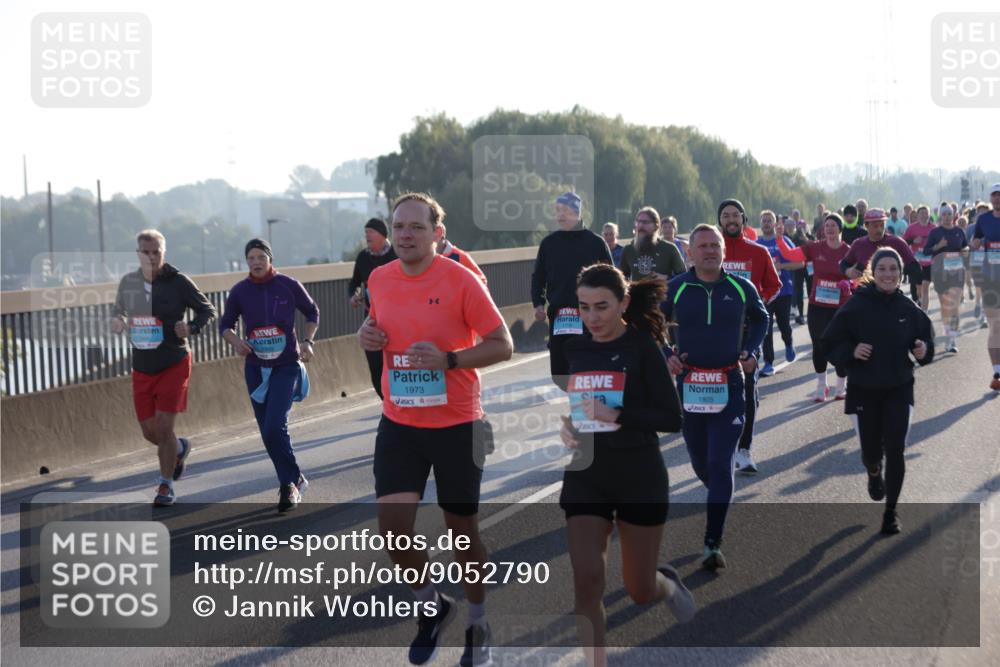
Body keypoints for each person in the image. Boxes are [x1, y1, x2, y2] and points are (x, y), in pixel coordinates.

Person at [358, 192, 513, 666]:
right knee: (393, 532)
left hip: (457, 423)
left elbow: (502, 344)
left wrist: (450, 359)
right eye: (399, 226)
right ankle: (434, 605)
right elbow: (377, 325)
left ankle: (478, 621)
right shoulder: (378, 278)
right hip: (401, 422)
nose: (405, 235)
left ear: (436, 233)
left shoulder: (460, 280)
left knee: (461, 531)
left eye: (416, 228)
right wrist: (369, 335)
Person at [558, 264, 693, 667]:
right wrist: (571, 427)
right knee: (587, 583)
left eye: (602, 306)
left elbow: (672, 419)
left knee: (639, 590)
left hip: (639, 474)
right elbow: (584, 409)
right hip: (588, 474)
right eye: (584, 308)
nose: (592, 317)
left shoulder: (643, 349)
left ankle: (665, 585)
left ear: (624, 303)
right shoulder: (576, 349)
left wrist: (618, 416)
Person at [662, 224, 768, 569]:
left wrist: (752, 351)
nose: (709, 251)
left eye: (715, 245)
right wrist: (667, 354)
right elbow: (651, 322)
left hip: (730, 384)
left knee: (721, 463)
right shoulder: (677, 288)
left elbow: (761, 318)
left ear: (723, 251)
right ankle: (720, 496)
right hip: (690, 387)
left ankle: (712, 542)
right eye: (702, 246)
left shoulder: (740, 286)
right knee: (702, 464)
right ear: (690, 252)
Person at [823, 247, 934, 535]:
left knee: (896, 449)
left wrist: (924, 349)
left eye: (893, 269)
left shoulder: (908, 308)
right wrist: (851, 350)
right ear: (874, 271)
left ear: (900, 274)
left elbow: (926, 340)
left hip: (899, 388)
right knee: (871, 451)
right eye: (882, 268)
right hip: (863, 390)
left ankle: (890, 513)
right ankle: (873, 471)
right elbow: (829, 343)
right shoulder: (856, 305)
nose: (888, 274)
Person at [111, 229, 217, 506]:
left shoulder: (178, 281)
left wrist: (191, 327)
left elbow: (208, 310)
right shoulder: (129, 283)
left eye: (156, 251)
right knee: (150, 432)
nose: (151, 256)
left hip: (174, 363)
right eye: (146, 252)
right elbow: (118, 310)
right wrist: (118, 320)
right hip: (142, 366)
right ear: (138, 254)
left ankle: (165, 485)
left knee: (163, 425)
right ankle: (180, 447)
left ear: (163, 252)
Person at [219, 238, 319, 512]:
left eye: (260, 257)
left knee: (275, 425)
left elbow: (312, 312)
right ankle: (293, 479)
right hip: (255, 368)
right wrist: (236, 342)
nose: (256, 262)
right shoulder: (240, 291)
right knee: (267, 431)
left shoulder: (287, 285)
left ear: (270, 259)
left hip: (286, 365)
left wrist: (308, 342)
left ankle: (289, 484)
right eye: (250, 258)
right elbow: (225, 325)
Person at [717, 199, 780, 475]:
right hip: (716, 332)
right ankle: (721, 448)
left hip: (748, 332)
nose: (731, 220)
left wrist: (757, 306)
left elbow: (774, 285)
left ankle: (744, 449)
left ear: (743, 219)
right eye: (725, 215)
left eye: (735, 215)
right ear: (720, 220)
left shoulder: (758, 251)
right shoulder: (710, 251)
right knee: (716, 389)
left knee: (747, 390)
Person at [532, 192, 613, 390]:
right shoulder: (549, 244)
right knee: (560, 374)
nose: (560, 215)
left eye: (565, 211)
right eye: (557, 211)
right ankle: (580, 407)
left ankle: (587, 414)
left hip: (591, 315)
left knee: (588, 370)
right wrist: (538, 303)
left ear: (578, 213)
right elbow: (538, 276)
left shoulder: (595, 243)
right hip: (559, 316)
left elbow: (612, 278)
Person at [775, 213, 852, 401]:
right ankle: (821, 385)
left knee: (841, 345)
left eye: (834, 225)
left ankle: (841, 386)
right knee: (818, 344)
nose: (830, 229)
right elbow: (790, 255)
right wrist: (779, 238)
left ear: (840, 229)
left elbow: (858, 275)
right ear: (823, 230)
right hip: (818, 305)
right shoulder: (815, 248)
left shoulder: (848, 251)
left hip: (840, 307)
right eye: (827, 226)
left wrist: (850, 284)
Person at [348, 218, 397, 398]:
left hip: (398, 319)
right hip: (372, 319)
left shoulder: (397, 254)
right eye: (365, 232)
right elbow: (354, 282)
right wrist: (355, 294)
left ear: (383, 235)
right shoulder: (363, 257)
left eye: (371, 231)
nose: (367, 235)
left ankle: (399, 403)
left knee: (394, 364)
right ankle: (386, 402)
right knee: (375, 368)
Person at [756, 212, 801, 375]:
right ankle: (768, 363)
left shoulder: (783, 241)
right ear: (760, 224)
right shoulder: (756, 244)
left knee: (784, 325)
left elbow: (798, 263)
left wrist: (780, 266)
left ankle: (788, 343)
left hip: (783, 291)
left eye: (770, 221)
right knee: (765, 329)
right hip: (764, 294)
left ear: (775, 224)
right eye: (764, 221)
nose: (767, 223)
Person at [921, 205, 968, 353]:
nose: (947, 216)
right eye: (944, 214)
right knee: (945, 306)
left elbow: (965, 247)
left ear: (953, 215)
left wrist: (965, 251)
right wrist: (938, 246)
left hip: (957, 271)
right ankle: (948, 332)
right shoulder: (935, 232)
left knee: (954, 305)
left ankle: (951, 340)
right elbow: (926, 251)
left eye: (949, 213)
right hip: (940, 272)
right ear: (941, 216)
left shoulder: (959, 232)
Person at [840, 208, 921, 290]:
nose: (879, 229)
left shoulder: (897, 243)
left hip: (890, 294)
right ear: (866, 226)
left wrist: (918, 285)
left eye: (882, 225)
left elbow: (914, 266)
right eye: (875, 226)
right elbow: (844, 263)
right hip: (865, 293)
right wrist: (848, 271)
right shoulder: (858, 244)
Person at [970, 183, 1000, 391]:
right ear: (990, 198)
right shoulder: (983, 219)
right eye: (994, 195)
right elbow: (975, 241)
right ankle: (997, 371)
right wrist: (976, 244)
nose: (997, 198)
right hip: (991, 277)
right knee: (995, 326)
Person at [619, 207, 686, 282]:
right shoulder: (629, 250)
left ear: (656, 226)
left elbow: (683, 276)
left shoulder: (669, 249)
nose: (641, 226)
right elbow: (621, 278)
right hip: (637, 293)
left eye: (645, 222)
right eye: (638, 222)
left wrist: (667, 278)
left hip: (663, 293)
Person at [903, 205, 936, 311]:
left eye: (926, 213)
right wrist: (913, 241)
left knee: (925, 286)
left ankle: (924, 311)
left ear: (929, 214)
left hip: (929, 261)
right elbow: (903, 242)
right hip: (915, 262)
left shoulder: (933, 228)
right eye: (922, 213)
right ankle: (918, 301)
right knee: (917, 287)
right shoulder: (911, 228)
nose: (924, 216)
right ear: (917, 215)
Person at [789, 214, 814, 325]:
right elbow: (791, 250)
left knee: (810, 291)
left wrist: (805, 238)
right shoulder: (794, 238)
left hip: (809, 266)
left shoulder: (811, 237)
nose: (801, 229)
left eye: (803, 226)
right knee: (798, 291)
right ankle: (800, 314)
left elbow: (814, 248)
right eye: (799, 227)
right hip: (798, 266)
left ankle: (811, 313)